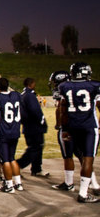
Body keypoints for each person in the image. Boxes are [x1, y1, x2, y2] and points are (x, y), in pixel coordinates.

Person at [57, 62, 100, 203]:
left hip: (72, 126)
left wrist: (64, 129)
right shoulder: (94, 86)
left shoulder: (64, 86)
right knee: (87, 158)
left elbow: (63, 109)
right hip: (88, 127)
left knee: (80, 155)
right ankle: (83, 193)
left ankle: (91, 187)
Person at [0, 78, 24, 193]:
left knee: (5, 160)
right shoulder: (16, 95)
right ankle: (18, 183)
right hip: (15, 131)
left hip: (2, 132)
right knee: (12, 158)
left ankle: (8, 185)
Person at [17, 78, 49, 177]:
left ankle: (36, 168)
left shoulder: (22, 95)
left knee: (36, 147)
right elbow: (35, 111)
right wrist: (42, 122)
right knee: (36, 147)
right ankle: (18, 165)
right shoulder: (30, 95)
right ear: (31, 84)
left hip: (27, 126)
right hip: (34, 126)